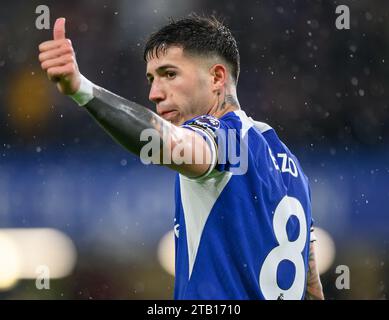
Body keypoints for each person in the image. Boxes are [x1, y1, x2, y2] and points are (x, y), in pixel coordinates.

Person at [38, 14, 324, 300]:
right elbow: (312, 288)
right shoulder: (290, 165)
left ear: (216, 77)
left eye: (169, 74)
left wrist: (81, 89)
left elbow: (162, 142)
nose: (154, 93)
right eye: (151, 79)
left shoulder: (226, 140)